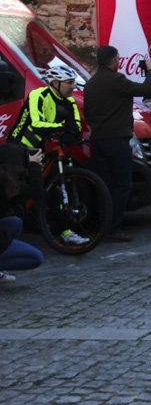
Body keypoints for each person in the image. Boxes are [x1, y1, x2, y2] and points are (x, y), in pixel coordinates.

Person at [84, 45, 151, 243]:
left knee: (105, 184)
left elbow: (89, 114)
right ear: (114, 61)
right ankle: (113, 226)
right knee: (122, 184)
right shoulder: (116, 80)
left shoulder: (90, 83)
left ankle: (103, 224)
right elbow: (146, 89)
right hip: (117, 140)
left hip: (99, 139)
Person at [6, 66, 89, 245]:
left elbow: (75, 125)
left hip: (38, 149)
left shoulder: (70, 102)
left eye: (74, 82)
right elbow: (37, 123)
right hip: (18, 146)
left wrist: (71, 134)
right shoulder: (38, 95)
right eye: (69, 83)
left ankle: (66, 231)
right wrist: (64, 128)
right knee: (14, 189)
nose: (73, 86)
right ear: (55, 83)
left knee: (52, 191)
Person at [0, 144, 44, 283]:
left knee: (15, 223)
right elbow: (36, 191)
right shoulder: (6, 184)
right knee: (35, 258)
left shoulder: (5, 180)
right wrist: (34, 165)